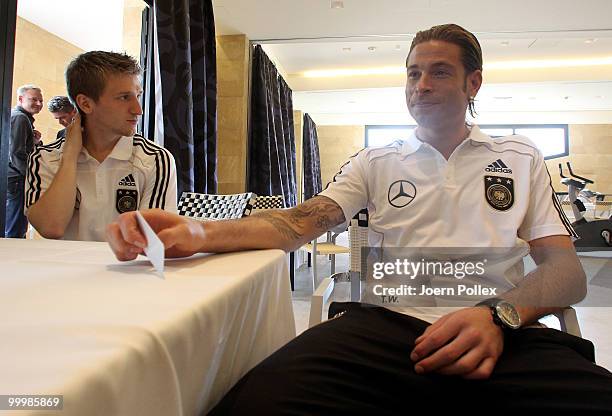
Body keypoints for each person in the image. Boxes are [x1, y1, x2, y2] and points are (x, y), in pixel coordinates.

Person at [106, 24, 612, 413]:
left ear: (472, 82)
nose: (421, 85)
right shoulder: (375, 160)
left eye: (439, 72)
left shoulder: (519, 156)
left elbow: (565, 272)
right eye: (413, 73)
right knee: (256, 403)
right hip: (385, 327)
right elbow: (298, 223)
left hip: (501, 327)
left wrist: (500, 315)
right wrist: (198, 231)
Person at [25, 51, 177, 241]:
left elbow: (149, 239)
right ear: (86, 104)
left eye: (137, 95)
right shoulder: (44, 158)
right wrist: (70, 156)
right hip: (61, 269)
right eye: (124, 97)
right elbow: (51, 227)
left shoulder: (155, 159)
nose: (138, 109)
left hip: (128, 269)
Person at [5, 85, 43, 238]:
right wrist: (31, 177)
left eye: (40, 100)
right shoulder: (20, 118)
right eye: (34, 99)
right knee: (15, 228)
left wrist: (35, 141)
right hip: (17, 179)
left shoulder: (21, 118)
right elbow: (16, 153)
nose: (39, 104)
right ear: (20, 99)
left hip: (13, 177)